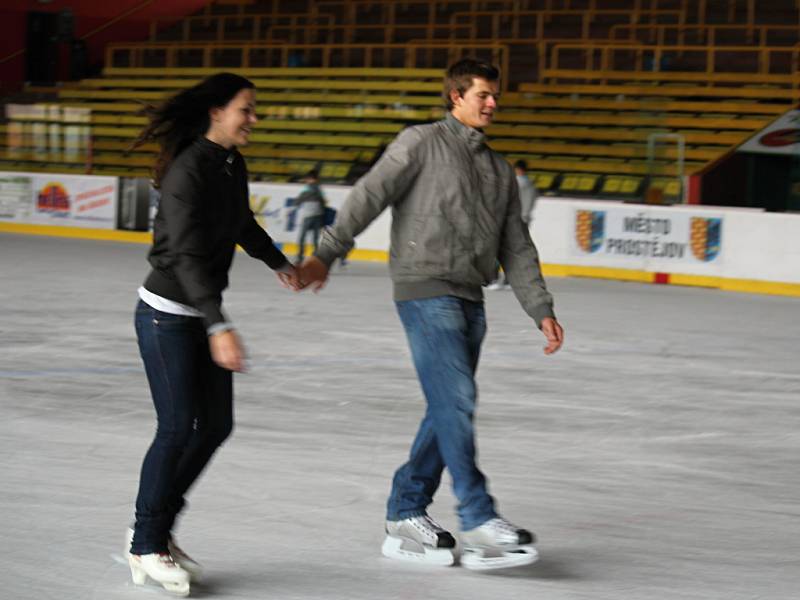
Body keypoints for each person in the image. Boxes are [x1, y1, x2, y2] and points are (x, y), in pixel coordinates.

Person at [297, 58, 564, 570]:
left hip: (471, 297)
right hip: (424, 292)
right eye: (482, 94)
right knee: (457, 399)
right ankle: (479, 517)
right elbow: (370, 194)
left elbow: (517, 244)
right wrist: (326, 253)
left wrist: (539, 307)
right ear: (455, 96)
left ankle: (405, 510)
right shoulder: (419, 143)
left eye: (495, 95)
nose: (492, 103)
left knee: (446, 407)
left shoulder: (499, 171)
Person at [125, 72, 298, 595]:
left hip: (198, 313)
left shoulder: (228, 163)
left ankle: (152, 528)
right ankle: (146, 544)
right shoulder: (187, 171)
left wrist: (278, 263)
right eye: (246, 108)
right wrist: (217, 323)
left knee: (215, 425)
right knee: (177, 427)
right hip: (166, 314)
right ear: (216, 112)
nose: (253, 118)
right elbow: (185, 257)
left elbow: (241, 222)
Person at [487, 159, 538, 290]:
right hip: (523, 220)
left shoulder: (515, 183)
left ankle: (494, 279)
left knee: (498, 248)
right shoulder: (531, 185)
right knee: (515, 251)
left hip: (511, 220)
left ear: (518, 170)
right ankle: (509, 280)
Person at [294, 169, 326, 263]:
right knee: (315, 239)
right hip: (319, 215)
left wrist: (298, 202)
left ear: (309, 179)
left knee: (302, 238)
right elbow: (323, 202)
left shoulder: (307, 189)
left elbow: (298, 201)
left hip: (308, 215)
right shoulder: (320, 189)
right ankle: (316, 258)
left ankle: (300, 257)